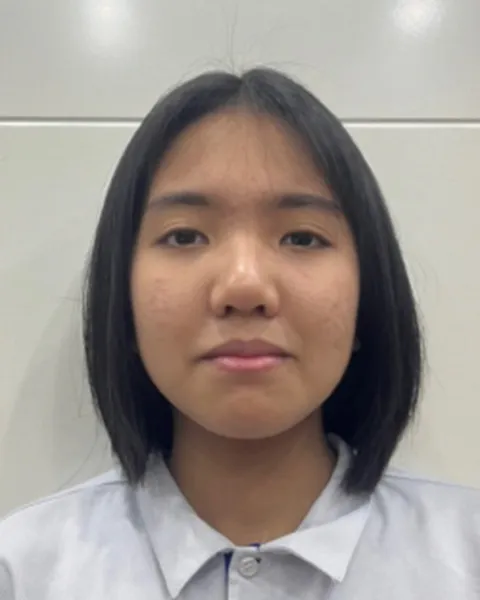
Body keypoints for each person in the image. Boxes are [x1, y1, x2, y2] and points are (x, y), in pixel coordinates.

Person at [0, 67, 479, 600]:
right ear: (123, 301)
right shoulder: (23, 572)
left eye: (302, 238)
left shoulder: (466, 557)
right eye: (185, 236)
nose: (244, 285)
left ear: (367, 300)